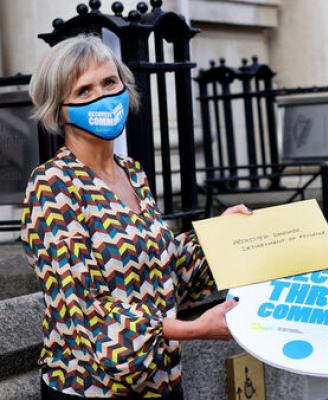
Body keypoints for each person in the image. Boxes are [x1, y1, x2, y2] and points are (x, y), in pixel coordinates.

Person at [21, 34, 251, 399]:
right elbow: (84, 307)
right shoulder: (52, 185)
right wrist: (193, 329)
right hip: (90, 389)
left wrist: (220, 237)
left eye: (110, 82)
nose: (103, 97)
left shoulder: (132, 172)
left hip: (161, 381)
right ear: (58, 109)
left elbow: (165, 271)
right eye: (84, 91)